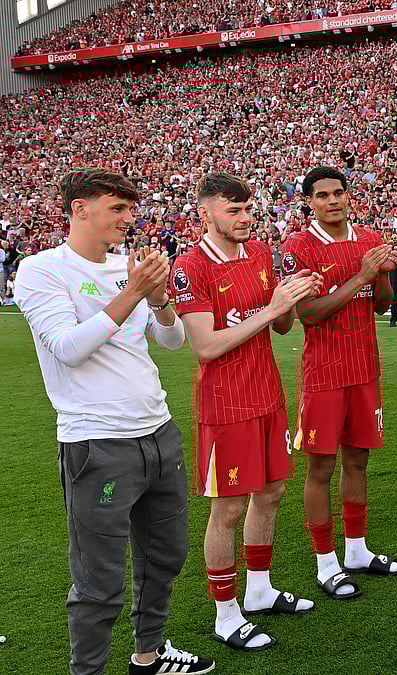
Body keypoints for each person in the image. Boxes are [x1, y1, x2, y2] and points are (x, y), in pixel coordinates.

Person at [15, 168, 215, 674]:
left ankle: (148, 655)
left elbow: (171, 341)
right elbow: (67, 348)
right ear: (80, 209)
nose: (129, 219)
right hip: (97, 443)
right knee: (98, 579)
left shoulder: (129, 268)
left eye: (131, 208)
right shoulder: (42, 270)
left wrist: (158, 297)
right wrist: (132, 293)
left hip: (158, 431)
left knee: (165, 556)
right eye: (117, 208)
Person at [171, 173, 322, 651]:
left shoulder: (259, 254)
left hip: (266, 394)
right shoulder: (190, 265)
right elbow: (206, 345)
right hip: (226, 402)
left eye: (248, 209)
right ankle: (225, 612)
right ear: (206, 214)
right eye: (232, 210)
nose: (244, 218)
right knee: (229, 507)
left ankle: (259, 590)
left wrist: (291, 300)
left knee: (272, 493)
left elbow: (280, 328)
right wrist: (272, 307)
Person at [283, 167, 397, 600]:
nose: (333, 201)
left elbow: (381, 305)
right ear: (309, 203)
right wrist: (361, 274)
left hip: (364, 369)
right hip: (324, 374)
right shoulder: (298, 246)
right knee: (321, 467)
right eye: (323, 196)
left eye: (339, 193)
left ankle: (356, 550)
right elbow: (309, 313)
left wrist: (385, 274)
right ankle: (326, 562)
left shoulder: (370, 238)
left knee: (358, 463)